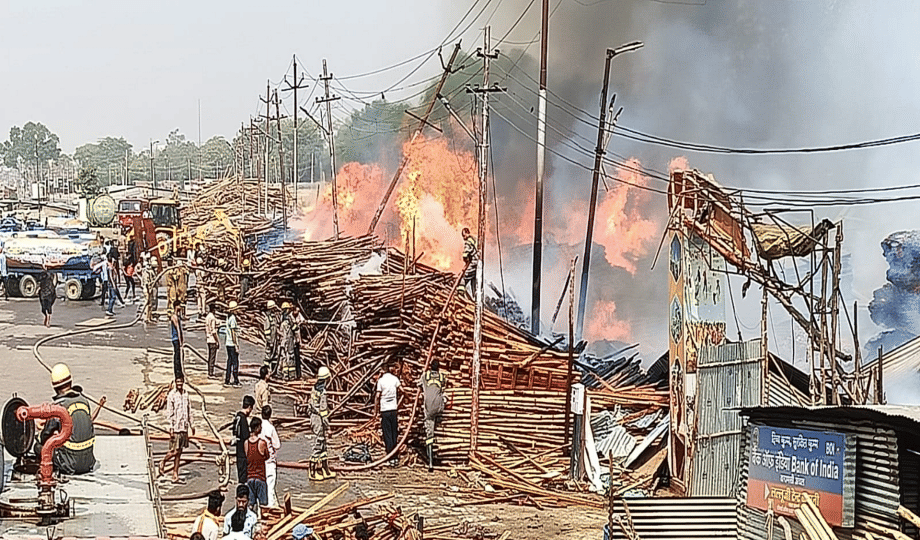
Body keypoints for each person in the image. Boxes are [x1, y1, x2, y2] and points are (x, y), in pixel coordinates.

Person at [35, 363, 96, 474]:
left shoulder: (58, 407)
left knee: (38, 447)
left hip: (69, 464)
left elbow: (45, 437)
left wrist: (39, 436)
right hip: (88, 462)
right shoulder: (84, 401)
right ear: (70, 381)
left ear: (54, 386)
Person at [160, 376, 193, 482]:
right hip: (176, 427)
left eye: (181, 382)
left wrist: (192, 424)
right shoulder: (172, 395)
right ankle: (163, 461)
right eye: (177, 382)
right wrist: (171, 427)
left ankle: (175, 473)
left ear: (183, 382)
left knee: (179, 452)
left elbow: (189, 410)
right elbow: (170, 412)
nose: (179, 383)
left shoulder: (186, 394)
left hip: (184, 426)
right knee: (174, 451)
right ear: (175, 382)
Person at [419, 360, 446, 472]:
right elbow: (443, 386)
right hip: (440, 407)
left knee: (429, 434)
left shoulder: (425, 376)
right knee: (444, 396)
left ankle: (430, 462)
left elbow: (419, 384)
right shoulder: (442, 377)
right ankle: (440, 418)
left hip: (429, 410)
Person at [309, 366, 335, 481]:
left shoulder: (314, 389)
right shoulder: (322, 393)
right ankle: (312, 471)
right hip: (319, 420)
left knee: (323, 445)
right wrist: (328, 427)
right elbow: (324, 412)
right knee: (319, 444)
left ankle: (325, 468)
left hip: (314, 417)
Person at [374, 362, 402, 467]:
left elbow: (377, 396)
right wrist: (404, 399)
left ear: (383, 370)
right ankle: (395, 456)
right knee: (394, 432)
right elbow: (402, 390)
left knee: (387, 433)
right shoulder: (395, 379)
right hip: (394, 409)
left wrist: (375, 411)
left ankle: (390, 457)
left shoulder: (381, 381)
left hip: (385, 410)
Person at [245, 417, 269, 510]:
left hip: (250, 477)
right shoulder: (262, 443)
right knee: (264, 507)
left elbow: (247, 457)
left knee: (250, 506)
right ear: (258, 427)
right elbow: (267, 456)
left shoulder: (246, 443)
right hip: (260, 477)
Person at [260, 405, 281, 506]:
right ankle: (270, 509)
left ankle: (261, 509)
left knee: (261, 487)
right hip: (269, 461)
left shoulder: (258, 426)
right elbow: (277, 445)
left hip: (259, 461)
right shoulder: (271, 428)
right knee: (270, 487)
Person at [232, 395, 254, 484]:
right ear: (249, 407)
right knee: (243, 478)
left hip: (238, 450)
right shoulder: (243, 419)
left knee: (240, 475)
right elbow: (246, 436)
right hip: (243, 453)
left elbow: (234, 431)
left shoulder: (237, 416)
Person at [277, 302, 296, 381]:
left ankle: (285, 375)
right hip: (289, 341)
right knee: (290, 357)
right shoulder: (289, 319)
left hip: (283, 342)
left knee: (284, 358)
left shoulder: (281, 319)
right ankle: (291, 375)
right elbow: (295, 328)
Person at [225, 301, 241, 386]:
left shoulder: (228, 317)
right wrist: (236, 345)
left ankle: (227, 379)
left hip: (227, 343)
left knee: (229, 361)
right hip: (231, 343)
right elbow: (233, 333)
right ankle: (235, 380)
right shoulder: (233, 319)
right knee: (235, 362)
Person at [169, 300, 185, 380]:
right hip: (175, 339)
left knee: (178, 355)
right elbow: (178, 328)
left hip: (177, 338)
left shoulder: (177, 316)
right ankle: (177, 372)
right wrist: (180, 339)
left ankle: (180, 371)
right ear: (176, 306)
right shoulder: (174, 317)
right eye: (179, 306)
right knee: (177, 356)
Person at [262, 300, 279, 372]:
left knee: (275, 355)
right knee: (268, 355)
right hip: (270, 341)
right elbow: (267, 331)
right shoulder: (267, 318)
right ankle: (265, 371)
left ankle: (274, 371)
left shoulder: (274, 316)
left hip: (274, 340)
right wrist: (269, 342)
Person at [38, 262, 56, 327]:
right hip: (44, 293)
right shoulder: (43, 275)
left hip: (48, 293)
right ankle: (46, 317)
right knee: (43, 309)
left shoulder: (48, 275)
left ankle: (48, 320)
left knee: (48, 307)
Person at [461, 227, 478, 297]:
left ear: (467, 233)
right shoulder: (475, 239)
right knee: (474, 282)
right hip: (478, 263)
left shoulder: (468, 241)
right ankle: (475, 299)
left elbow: (465, 255)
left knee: (464, 278)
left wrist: (466, 262)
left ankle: (460, 295)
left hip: (473, 262)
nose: (463, 238)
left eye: (464, 235)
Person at [205, 303, 219, 378]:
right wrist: (217, 340)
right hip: (212, 339)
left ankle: (209, 371)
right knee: (212, 357)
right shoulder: (212, 318)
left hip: (208, 338)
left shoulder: (207, 317)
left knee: (210, 356)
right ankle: (211, 372)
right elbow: (213, 331)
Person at [291, 306, 305, 380]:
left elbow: (303, 320)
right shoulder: (290, 317)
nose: (298, 313)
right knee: (291, 358)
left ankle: (299, 375)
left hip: (296, 340)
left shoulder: (298, 315)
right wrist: (296, 324)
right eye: (297, 311)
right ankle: (292, 375)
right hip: (291, 341)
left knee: (297, 357)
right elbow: (292, 327)